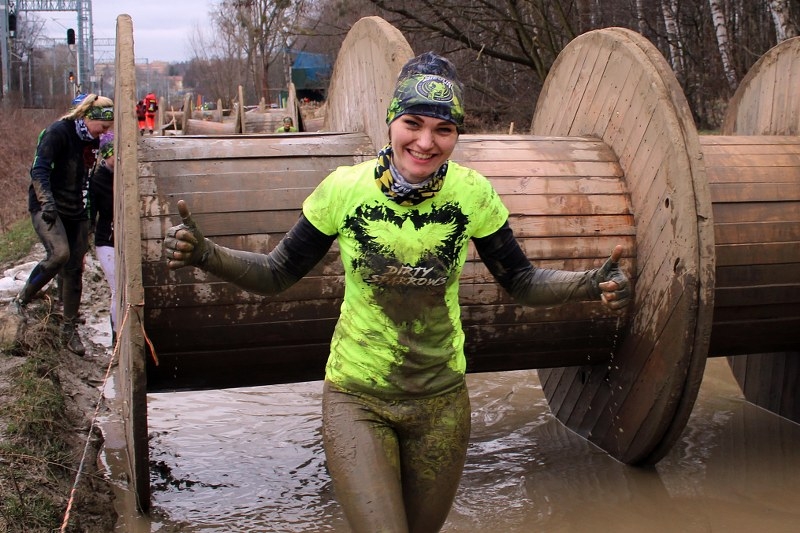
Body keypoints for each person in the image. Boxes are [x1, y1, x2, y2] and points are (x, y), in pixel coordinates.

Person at [163, 52, 631, 533]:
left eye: (443, 129)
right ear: (391, 121)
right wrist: (206, 255)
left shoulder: (473, 194)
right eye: (413, 123)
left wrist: (590, 283)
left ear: (456, 134)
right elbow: (277, 273)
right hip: (357, 399)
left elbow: (522, 282)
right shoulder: (344, 190)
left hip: (441, 403)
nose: (426, 142)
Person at [9, 94, 115, 356]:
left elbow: (88, 177)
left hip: (75, 209)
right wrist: (46, 202)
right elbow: (39, 170)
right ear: (87, 117)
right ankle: (21, 299)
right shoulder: (58, 133)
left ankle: (69, 328)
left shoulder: (93, 141)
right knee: (59, 254)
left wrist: (88, 219)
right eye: (102, 127)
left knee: (75, 268)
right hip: (48, 206)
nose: (104, 133)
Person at [89, 131, 117, 344]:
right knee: (117, 289)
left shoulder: (130, 174)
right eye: (113, 154)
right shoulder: (98, 180)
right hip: (107, 241)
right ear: (106, 155)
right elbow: (90, 215)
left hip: (127, 241)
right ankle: (117, 336)